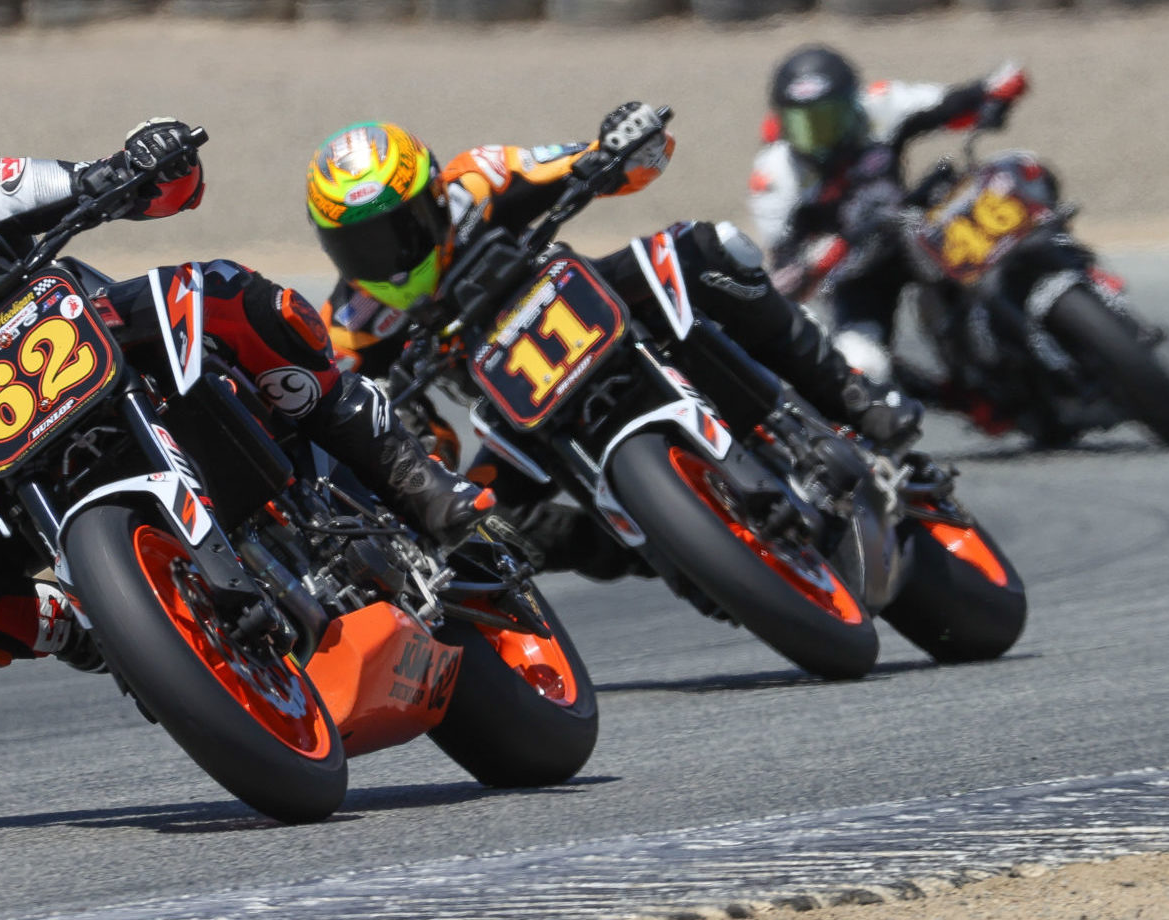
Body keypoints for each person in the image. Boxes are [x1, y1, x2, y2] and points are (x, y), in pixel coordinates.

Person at [0, 121, 499, 670]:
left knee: (230, 295)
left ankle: (406, 470)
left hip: (107, 346)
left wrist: (143, 166)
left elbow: (96, 185)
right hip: (0, 462)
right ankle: (94, 628)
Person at [305, 106, 923, 577]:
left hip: (597, 306)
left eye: (395, 231)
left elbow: (600, 160)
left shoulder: (482, 178)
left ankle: (849, 394)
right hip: (516, 415)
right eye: (356, 245)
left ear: (434, 196)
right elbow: (366, 419)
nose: (381, 259)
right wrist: (410, 429)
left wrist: (621, 142)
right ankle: (670, 553)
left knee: (707, 250)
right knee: (484, 527)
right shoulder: (353, 321)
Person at [751, 44, 1029, 382]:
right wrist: (814, 261)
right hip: (858, 272)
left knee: (1016, 177)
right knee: (861, 366)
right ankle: (952, 397)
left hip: (919, 226)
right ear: (779, 121)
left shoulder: (880, 106)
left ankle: (1065, 280)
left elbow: (951, 104)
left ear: (853, 102)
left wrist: (995, 88)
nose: (819, 135)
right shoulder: (774, 175)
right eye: (805, 123)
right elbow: (782, 273)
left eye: (830, 118)